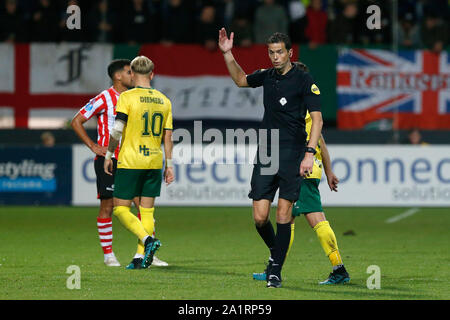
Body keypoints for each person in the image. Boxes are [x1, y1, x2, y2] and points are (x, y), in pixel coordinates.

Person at [219, 29, 323, 288]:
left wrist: (309, 153)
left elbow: (318, 119)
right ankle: (276, 254)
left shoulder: (303, 79)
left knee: (284, 214)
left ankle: (275, 270)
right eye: (271, 52)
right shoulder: (267, 77)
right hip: (266, 151)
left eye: (279, 52)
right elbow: (241, 80)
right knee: (260, 217)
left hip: (292, 152)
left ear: (290, 53)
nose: (275, 57)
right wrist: (228, 54)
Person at [252, 63, 350, 284]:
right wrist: (328, 170)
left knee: (315, 219)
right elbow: (321, 141)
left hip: (300, 168)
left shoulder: (298, 106)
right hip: (308, 167)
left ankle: (339, 267)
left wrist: (327, 169)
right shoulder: (307, 106)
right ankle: (274, 268)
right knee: (288, 220)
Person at [71, 59, 168, 267]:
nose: (132, 75)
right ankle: (109, 255)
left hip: (131, 160)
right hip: (109, 160)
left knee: (142, 207)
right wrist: (93, 146)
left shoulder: (136, 97)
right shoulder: (104, 98)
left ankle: (145, 252)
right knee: (107, 206)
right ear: (117, 76)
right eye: (127, 72)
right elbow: (76, 120)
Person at [103, 55, 174, 270]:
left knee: (120, 210)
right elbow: (168, 136)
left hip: (131, 159)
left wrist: (108, 154)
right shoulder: (164, 100)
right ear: (152, 74)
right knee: (147, 211)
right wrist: (169, 165)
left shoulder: (127, 97)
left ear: (132, 74)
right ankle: (139, 257)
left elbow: (117, 129)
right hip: (154, 160)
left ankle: (147, 240)